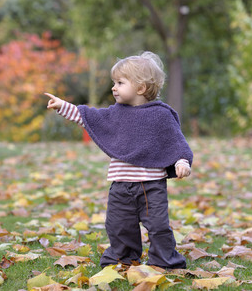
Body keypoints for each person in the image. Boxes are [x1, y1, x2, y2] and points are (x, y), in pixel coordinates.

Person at [44, 51, 192, 270]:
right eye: (114, 82)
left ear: (141, 88)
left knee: (159, 227)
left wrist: (182, 162)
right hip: (120, 186)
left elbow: (177, 142)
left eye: (120, 82)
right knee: (119, 226)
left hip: (151, 187)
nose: (114, 87)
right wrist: (63, 105)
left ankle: (164, 261)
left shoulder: (161, 115)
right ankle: (124, 259)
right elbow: (88, 117)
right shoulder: (116, 113)